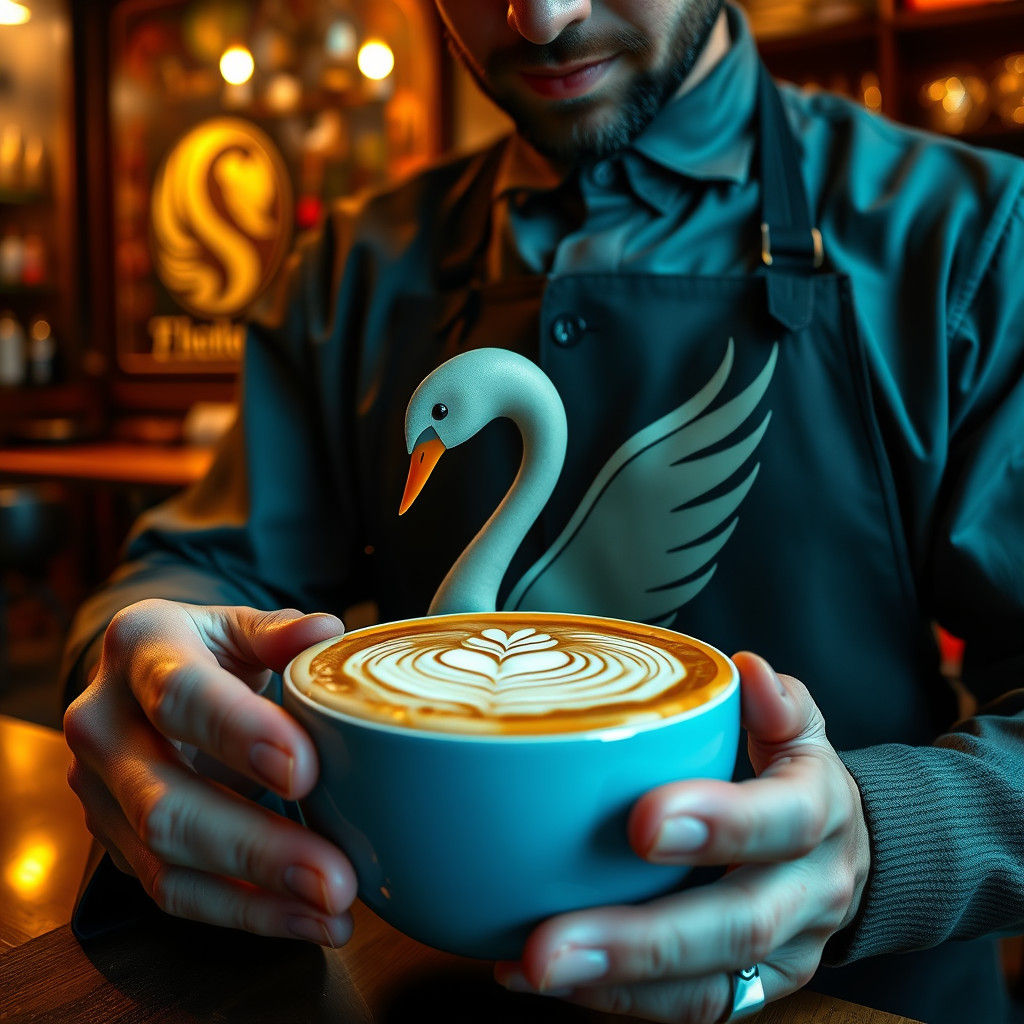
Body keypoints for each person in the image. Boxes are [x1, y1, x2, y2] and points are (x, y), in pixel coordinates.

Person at [61, 2, 1024, 1022]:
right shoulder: (348, 269)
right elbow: (204, 573)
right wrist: (146, 682)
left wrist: (882, 839)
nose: (543, 13)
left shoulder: (972, 235)